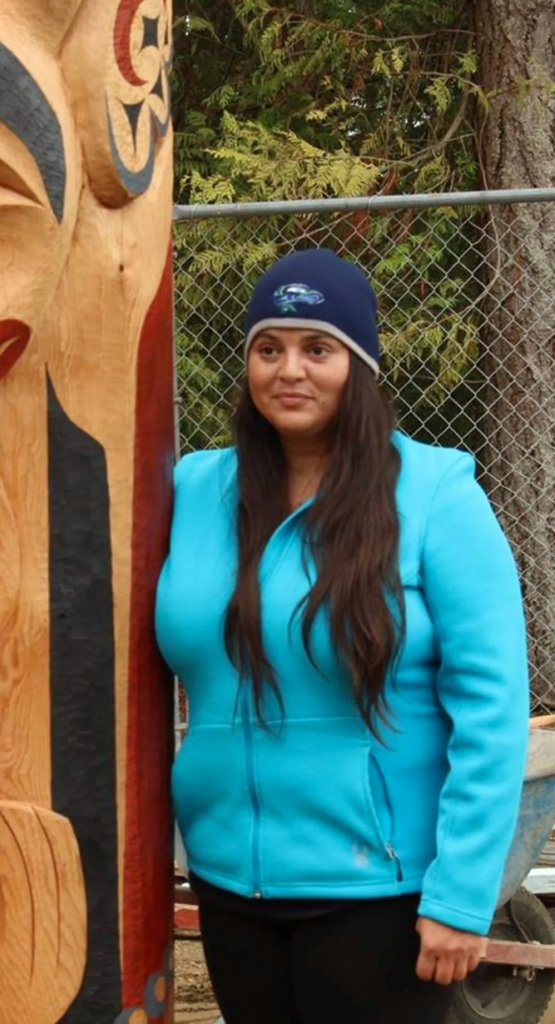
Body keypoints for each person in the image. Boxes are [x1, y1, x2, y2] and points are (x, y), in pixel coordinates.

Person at [155, 248, 530, 1024]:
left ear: (359, 365)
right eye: (269, 348)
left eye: (317, 348)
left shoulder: (435, 496)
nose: (289, 369)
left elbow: (492, 708)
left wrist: (461, 896)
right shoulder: (194, 488)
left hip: (379, 894)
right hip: (229, 880)